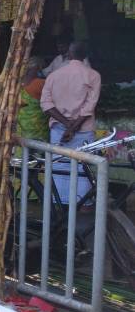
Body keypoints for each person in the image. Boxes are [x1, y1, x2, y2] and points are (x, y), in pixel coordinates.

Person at [40, 41, 101, 204]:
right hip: (83, 130)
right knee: (82, 168)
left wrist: (67, 125)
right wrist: (73, 126)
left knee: (59, 166)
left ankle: (59, 202)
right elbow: (90, 106)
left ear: (69, 54)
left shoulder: (53, 76)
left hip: (59, 129)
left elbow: (46, 104)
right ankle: (83, 204)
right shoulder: (93, 76)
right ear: (85, 56)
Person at [17, 57, 49, 142]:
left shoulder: (16, 84)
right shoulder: (40, 83)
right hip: (38, 128)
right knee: (38, 152)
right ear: (38, 69)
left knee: (22, 152)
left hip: (21, 127)